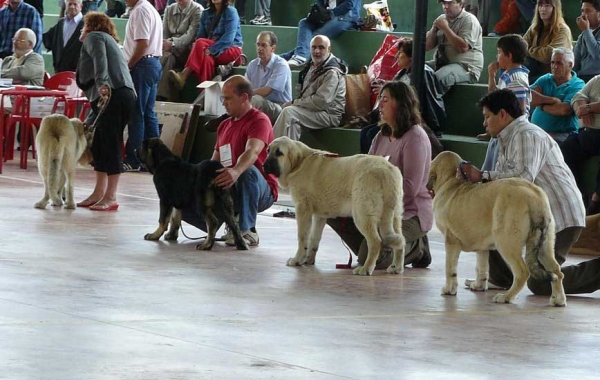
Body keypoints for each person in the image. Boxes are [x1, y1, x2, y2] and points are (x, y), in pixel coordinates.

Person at [459, 89, 600, 296]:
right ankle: (502, 277)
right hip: (537, 217)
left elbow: (522, 180)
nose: (484, 123)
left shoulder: (527, 134)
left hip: (559, 216)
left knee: (541, 282)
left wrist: (482, 176)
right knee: (490, 217)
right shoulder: (506, 139)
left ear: (503, 114)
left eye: (487, 117)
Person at [327, 81, 433, 269]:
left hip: (408, 212)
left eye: (385, 100)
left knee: (376, 260)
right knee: (330, 209)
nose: (380, 104)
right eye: (379, 99)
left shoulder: (415, 137)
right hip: (377, 208)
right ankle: (372, 244)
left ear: (401, 104)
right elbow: (365, 170)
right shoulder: (381, 135)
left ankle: (417, 247)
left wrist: (373, 199)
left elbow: (410, 188)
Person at [181, 75, 277, 246]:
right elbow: (213, 161)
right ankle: (221, 223)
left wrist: (235, 171)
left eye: (227, 98)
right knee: (185, 188)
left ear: (244, 98)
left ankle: (248, 230)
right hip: (230, 185)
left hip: (259, 190)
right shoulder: (224, 125)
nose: (223, 103)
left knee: (247, 171)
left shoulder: (259, 120)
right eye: (222, 98)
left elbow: (252, 151)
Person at [75, 12, 136, 211]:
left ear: (91, 26)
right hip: (113, 96)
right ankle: (98, 193)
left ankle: (111, 196)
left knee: (110, 143)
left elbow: (100, 60)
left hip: (113, 94)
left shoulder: (95, 37)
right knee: (100, 144)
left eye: (84, 25)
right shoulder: (104, 39)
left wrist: (102, 84)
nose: (82, 30)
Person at [360, 38, 446, 154]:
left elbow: (414, 100)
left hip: (409, 119)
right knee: (365, 131)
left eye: (400, 53)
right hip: (396, 116)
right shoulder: (402, 73)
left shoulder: (424, 72)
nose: (396, 56)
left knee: (371, 133)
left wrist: (389, 94)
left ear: (411, 56)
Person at [272, 35, 346, 141]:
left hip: (329, 114)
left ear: (329, 49)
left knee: (289, 112)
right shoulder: (311, 66)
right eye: (314, 47)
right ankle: (288, 157)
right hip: (313, 110)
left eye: (321, 47)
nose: (316, 51)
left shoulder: (332, 72)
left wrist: (294, 103)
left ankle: (271, 151)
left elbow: (321, 102)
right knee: (292, 125)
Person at [479, 34, 531, 169]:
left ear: (509, 56)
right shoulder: (507, 75)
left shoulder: (516, 79)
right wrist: (491, 75)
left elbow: (520, 110)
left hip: (509, 134)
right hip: (501, 131)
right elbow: (493, 100)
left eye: (499, 53)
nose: (497, 57)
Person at [122, 0, 163, 172]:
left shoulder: (140, 11)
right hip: (151, 64)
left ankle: (134, 159)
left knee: (136, 113)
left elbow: (142, 43)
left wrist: (129, 65)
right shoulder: (149, 9)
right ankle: (155, 159)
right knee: (148, 113)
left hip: (142, 66)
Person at [168, 0, 243, 92]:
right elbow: (201, 36)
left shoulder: (231, 11)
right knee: (206, 59)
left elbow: (228, 39)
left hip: (231, 49)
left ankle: (184, 75)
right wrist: (206, 50)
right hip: (210, 48)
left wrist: (211, 50)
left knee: (200, 43)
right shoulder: (206, 13)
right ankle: (204, 94)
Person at [425, 0, 484, 95]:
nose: (446, 6)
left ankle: (430, 109)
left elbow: (463, 48)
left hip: (466, 67)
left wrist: (445, 28)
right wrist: (434, 30)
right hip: (442, 63)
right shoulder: (441, 19)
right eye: (444, 3)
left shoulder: (469, 19)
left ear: (460, 4)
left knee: (437, 78)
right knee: (417, 70)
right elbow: (427, 47)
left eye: (450, 3)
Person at [562, 74, 600, 215]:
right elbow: (577, 97)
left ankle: (596, 201)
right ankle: (576, 196)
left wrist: (589, 108)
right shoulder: (597, 79)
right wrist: (581, 108)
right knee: (565, 148)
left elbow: (586, 105)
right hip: (585, 133)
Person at [530, 47, 585, 143]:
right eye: (552, 62)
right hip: (536, 131)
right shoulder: (545, 78)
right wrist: (552, 100)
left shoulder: (577, 84)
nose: (554, 66)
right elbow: (527, 96)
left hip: (561, 135)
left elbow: (564, 110)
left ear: (570, 65)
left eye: (559, 63)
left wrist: (540, 104)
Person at [285, 0, 361, 68]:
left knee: (317, 37)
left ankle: (295, 57)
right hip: (328, 16)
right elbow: (320, 2)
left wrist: (331, 13)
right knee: (304, 22)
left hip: (345, 18)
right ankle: (297, 56)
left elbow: (350, 4)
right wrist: (318, 12)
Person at [157, 0, 203, 101]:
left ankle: (160, 96)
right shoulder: (169, 9)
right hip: (169, 48)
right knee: (165, 56)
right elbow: (164, 32)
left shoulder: (197, 10)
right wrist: (166, 43)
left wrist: (173, 43)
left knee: (167, 56)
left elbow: (190, 36)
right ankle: (166, 96)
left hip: (187, 49)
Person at [245, 31, 292, 125]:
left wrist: (246, 94)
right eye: (258, 45)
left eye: (264, 45)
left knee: (255, 100)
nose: (259, 48)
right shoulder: (252, 65)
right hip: (258, 104)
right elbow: (245, 86)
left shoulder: (281, 64)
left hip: (280, 107)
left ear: (273, 48)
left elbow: (266, 91)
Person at [522, 0, 572, 84]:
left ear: (555, 8)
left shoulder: (562, 30)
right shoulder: (534, 27)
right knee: (510, 67)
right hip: (535, 70)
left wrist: (530, 50)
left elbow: (549, 55)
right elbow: (520, 47)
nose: (543, 9)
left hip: (553, 73)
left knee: (522, 81)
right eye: (540, 5)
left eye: (547, 5)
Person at [42, 0, 84, 73]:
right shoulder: (61, 23)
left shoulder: (87, 25)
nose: (72, 6)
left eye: (75, 4)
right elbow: (50, 40)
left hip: (79, 72)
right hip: (60, 70)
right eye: (69, 4)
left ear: (81, 6)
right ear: (65, 5)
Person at [574, 0, 600, 83]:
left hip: (596, 80)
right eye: (582, 11)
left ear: (599, 15)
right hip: (581, 79)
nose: (583, 15)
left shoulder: (585, 32)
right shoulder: (582, 36)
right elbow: (575, 61)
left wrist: (586, 30)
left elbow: (597, 55)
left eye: (588, 11)